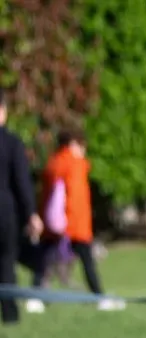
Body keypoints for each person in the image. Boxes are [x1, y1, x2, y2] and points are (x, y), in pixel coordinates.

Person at [34, 128, 122, 310]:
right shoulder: (76, 165)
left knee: (44, 262)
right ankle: (99, 296)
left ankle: (35, 297)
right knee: (87, 263)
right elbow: (75, 199)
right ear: (73, 144)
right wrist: (73, 225)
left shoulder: (52, 163)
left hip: (52, 224)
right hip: (75, 225)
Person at [0, 89, 40, 325]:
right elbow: (22, 182)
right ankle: (10, 314)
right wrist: (31, 213)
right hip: (5, 212)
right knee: (7, 264)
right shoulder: (12, 143)